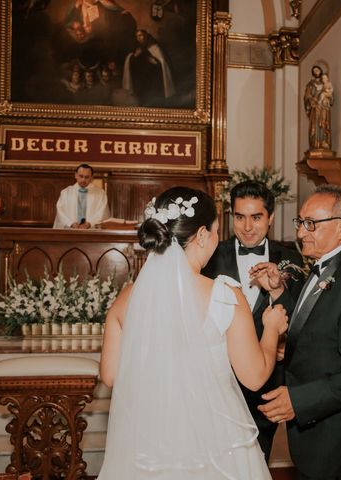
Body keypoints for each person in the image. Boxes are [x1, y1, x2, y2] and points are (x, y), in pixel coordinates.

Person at [98, 186, 288, 479]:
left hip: (150, 437)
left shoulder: (126, 299)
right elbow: (254, 377)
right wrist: (272, 329)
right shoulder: (224, 295)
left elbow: (111, 376)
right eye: (214, 231)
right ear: (201, 235)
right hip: (216, 439)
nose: (215, 238)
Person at [259, 185, 341, 480]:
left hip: (337, 436)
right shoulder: (322, 267)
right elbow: (311, 323)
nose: (302, 232)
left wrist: (300, 400)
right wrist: (279, 291)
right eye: (300, 223)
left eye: (311, 224)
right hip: (315, 435)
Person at [202, 180, 304, 462]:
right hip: (216, 382)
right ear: (231, 216)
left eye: (256, 217)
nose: (247, 227)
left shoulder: (292, 260)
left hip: (267, 385)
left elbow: (301, 320)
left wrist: (284, 340)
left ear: (270, 218)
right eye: (240, 217)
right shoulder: (207, 257)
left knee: (257, 462)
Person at [122, 29, 175, 106]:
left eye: (140, 35)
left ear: (145, 35)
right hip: (142, 80)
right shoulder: (138, 47)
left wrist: (155, 61)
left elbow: (163, 63)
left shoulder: (154, 46)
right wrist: (134, 57)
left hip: (154, 80)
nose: (138, 38)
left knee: (153, 99)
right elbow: (133, 62)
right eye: (137, 36)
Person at [53, 163, 110, 229]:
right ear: (76, 175)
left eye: (87, 177)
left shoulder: (100, 193)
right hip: (70, 230)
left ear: (92, 177)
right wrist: (70, 223)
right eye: (81, 176)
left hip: (91, 231)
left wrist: (90, 223)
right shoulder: (66, 192)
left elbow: (102, 212)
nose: (83, 180)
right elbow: (60, 211)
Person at [304, 64, 333, 152]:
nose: (316, 72)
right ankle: (315, 144)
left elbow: (331, 97)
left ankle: (324, 142)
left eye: (318, 70)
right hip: (315, 109)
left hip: (324, 109)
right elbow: (307, 97)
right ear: (313, 73)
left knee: (324, 125)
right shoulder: (310, 84)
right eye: (314, 71)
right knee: (314, 126)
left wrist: (327, 97)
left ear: (321, 71)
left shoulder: (326, 83)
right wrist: (313, 101)